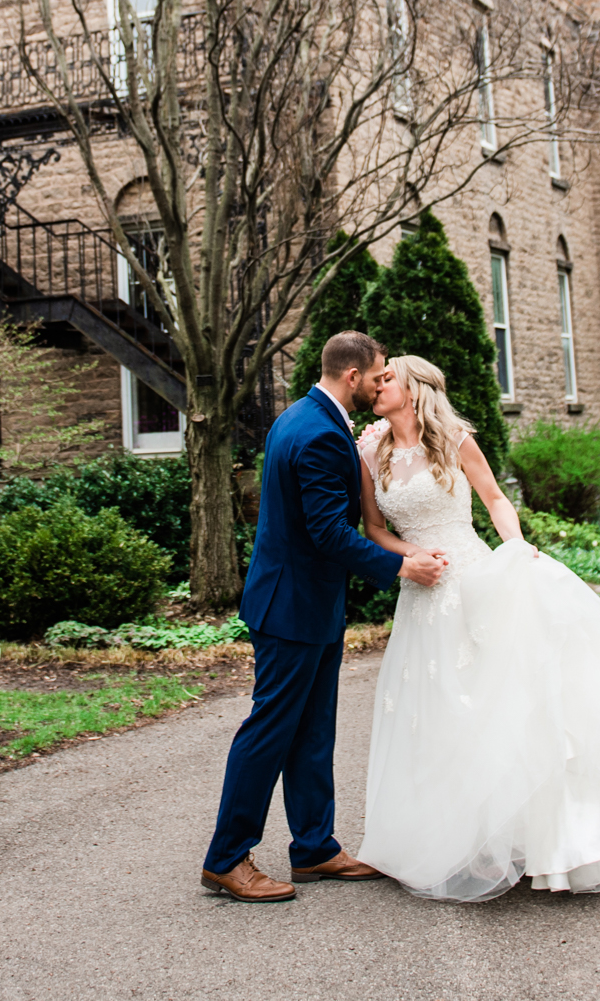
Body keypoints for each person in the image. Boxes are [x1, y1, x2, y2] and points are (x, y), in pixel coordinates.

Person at [354, 354, 600, 900]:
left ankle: (533, 843)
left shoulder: (455, 438)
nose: (376, 385)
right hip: (421, 590)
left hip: (475, 581)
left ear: (414, 389)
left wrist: (516, 548)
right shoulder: (370, 449)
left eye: (388, 378)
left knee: (501, 708)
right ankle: (444, 842)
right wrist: (413, 555)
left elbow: (495, 498)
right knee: (429, 713)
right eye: (376, 377)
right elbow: (373, 527)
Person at [199, 331, 450, 903]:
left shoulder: (305, 416)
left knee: (313, 731)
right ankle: (226, 858)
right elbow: (327, 532)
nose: (382, 382)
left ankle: (314, 847)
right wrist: (402, 566)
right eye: (379, 374)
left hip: (305, 603)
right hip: (290, 609)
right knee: (269, 731)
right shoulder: (316, 432)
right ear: (353, 376)